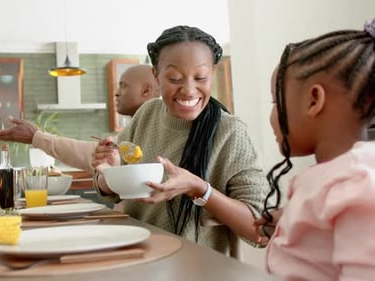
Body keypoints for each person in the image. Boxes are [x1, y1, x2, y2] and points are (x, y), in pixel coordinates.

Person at [91, 25, 270, 255]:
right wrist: (110, 173)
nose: (188, 90)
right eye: (175, 78)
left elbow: (261, 230)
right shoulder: (147, 113)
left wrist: (200, 189)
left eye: (201, 77)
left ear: (213, 74)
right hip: (135, 257)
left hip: (193, 269)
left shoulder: (230, 132)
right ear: (156, 75)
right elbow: (108, 189)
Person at [254, 18, 375, 280]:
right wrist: (291, 220)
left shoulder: (357, 184)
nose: (272, 116)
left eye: (276, 102)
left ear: (314, 100)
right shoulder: (342, 180)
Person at [0, 64, 160, 172]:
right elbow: (95, 156)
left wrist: (36, 136)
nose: (116, 92)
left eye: (123, 86)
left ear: (146, 91)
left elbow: (90, 154)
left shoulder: (157, 130)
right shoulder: (134, 130)